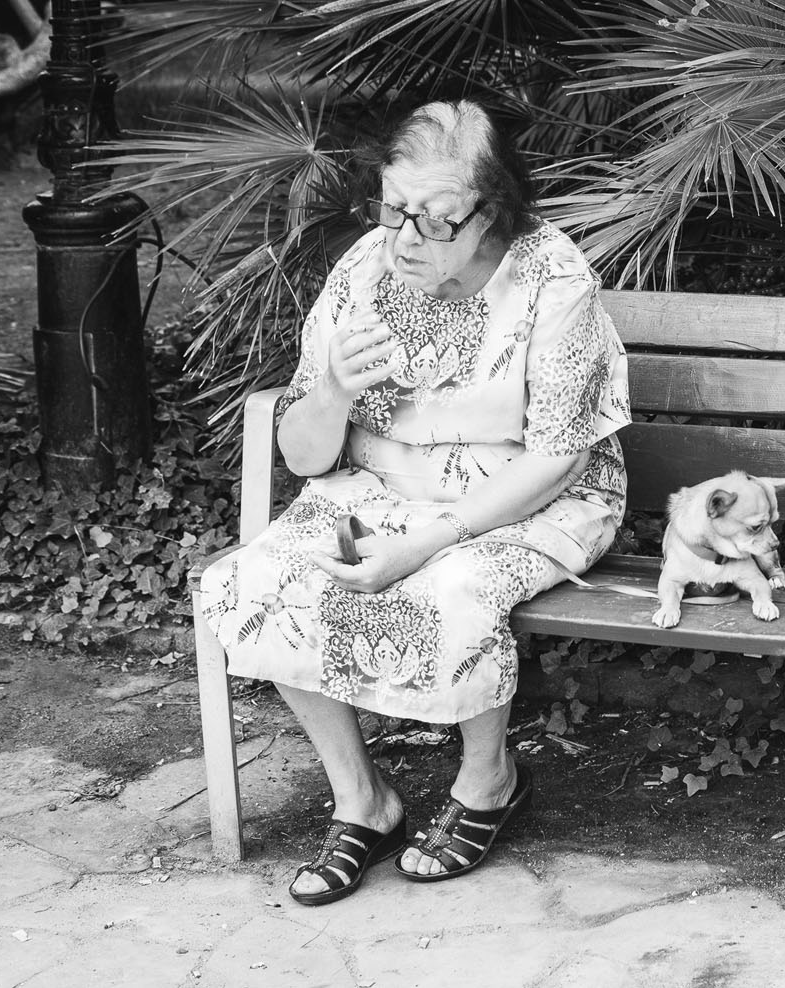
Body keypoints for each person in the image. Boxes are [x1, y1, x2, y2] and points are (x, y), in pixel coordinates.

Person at [197, 99, 631, 906]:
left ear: (490, 212)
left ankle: (488, 781)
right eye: (394, 208)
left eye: (434, 219)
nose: (403, 238)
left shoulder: (553, 280)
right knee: (260, 578)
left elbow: (560, 455)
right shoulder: (363, 271)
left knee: (453, 584)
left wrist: (425, 543)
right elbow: (303, 456)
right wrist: (332, 391)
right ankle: (364, 800)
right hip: (383, 492)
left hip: (532, 498)